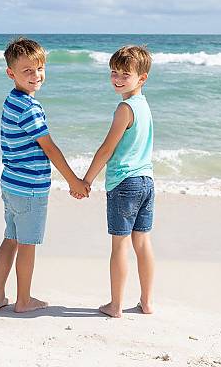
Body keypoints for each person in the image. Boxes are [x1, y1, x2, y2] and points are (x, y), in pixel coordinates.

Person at [0, 37, 90, 313]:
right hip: (29, 189)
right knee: (27, 244)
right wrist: (74, 181)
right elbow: (50, 149)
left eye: (40, 68)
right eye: (27, 71)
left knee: (10, 238)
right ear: (11, 73)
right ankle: (23, 300)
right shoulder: (29, 108)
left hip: (10, 184)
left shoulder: (12, 101)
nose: (36, 76)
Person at [75, 45, 155, 318]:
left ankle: (116, 305)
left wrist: (86, 180)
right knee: (142, 242)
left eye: (125, 74)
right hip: (146, 181)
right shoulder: (144, 106)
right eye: (114, 73)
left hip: (125, 183)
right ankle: (146, 301)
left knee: (120, 245)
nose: (118, 78)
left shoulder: (125, 108)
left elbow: (107, 149)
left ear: (142, 78)